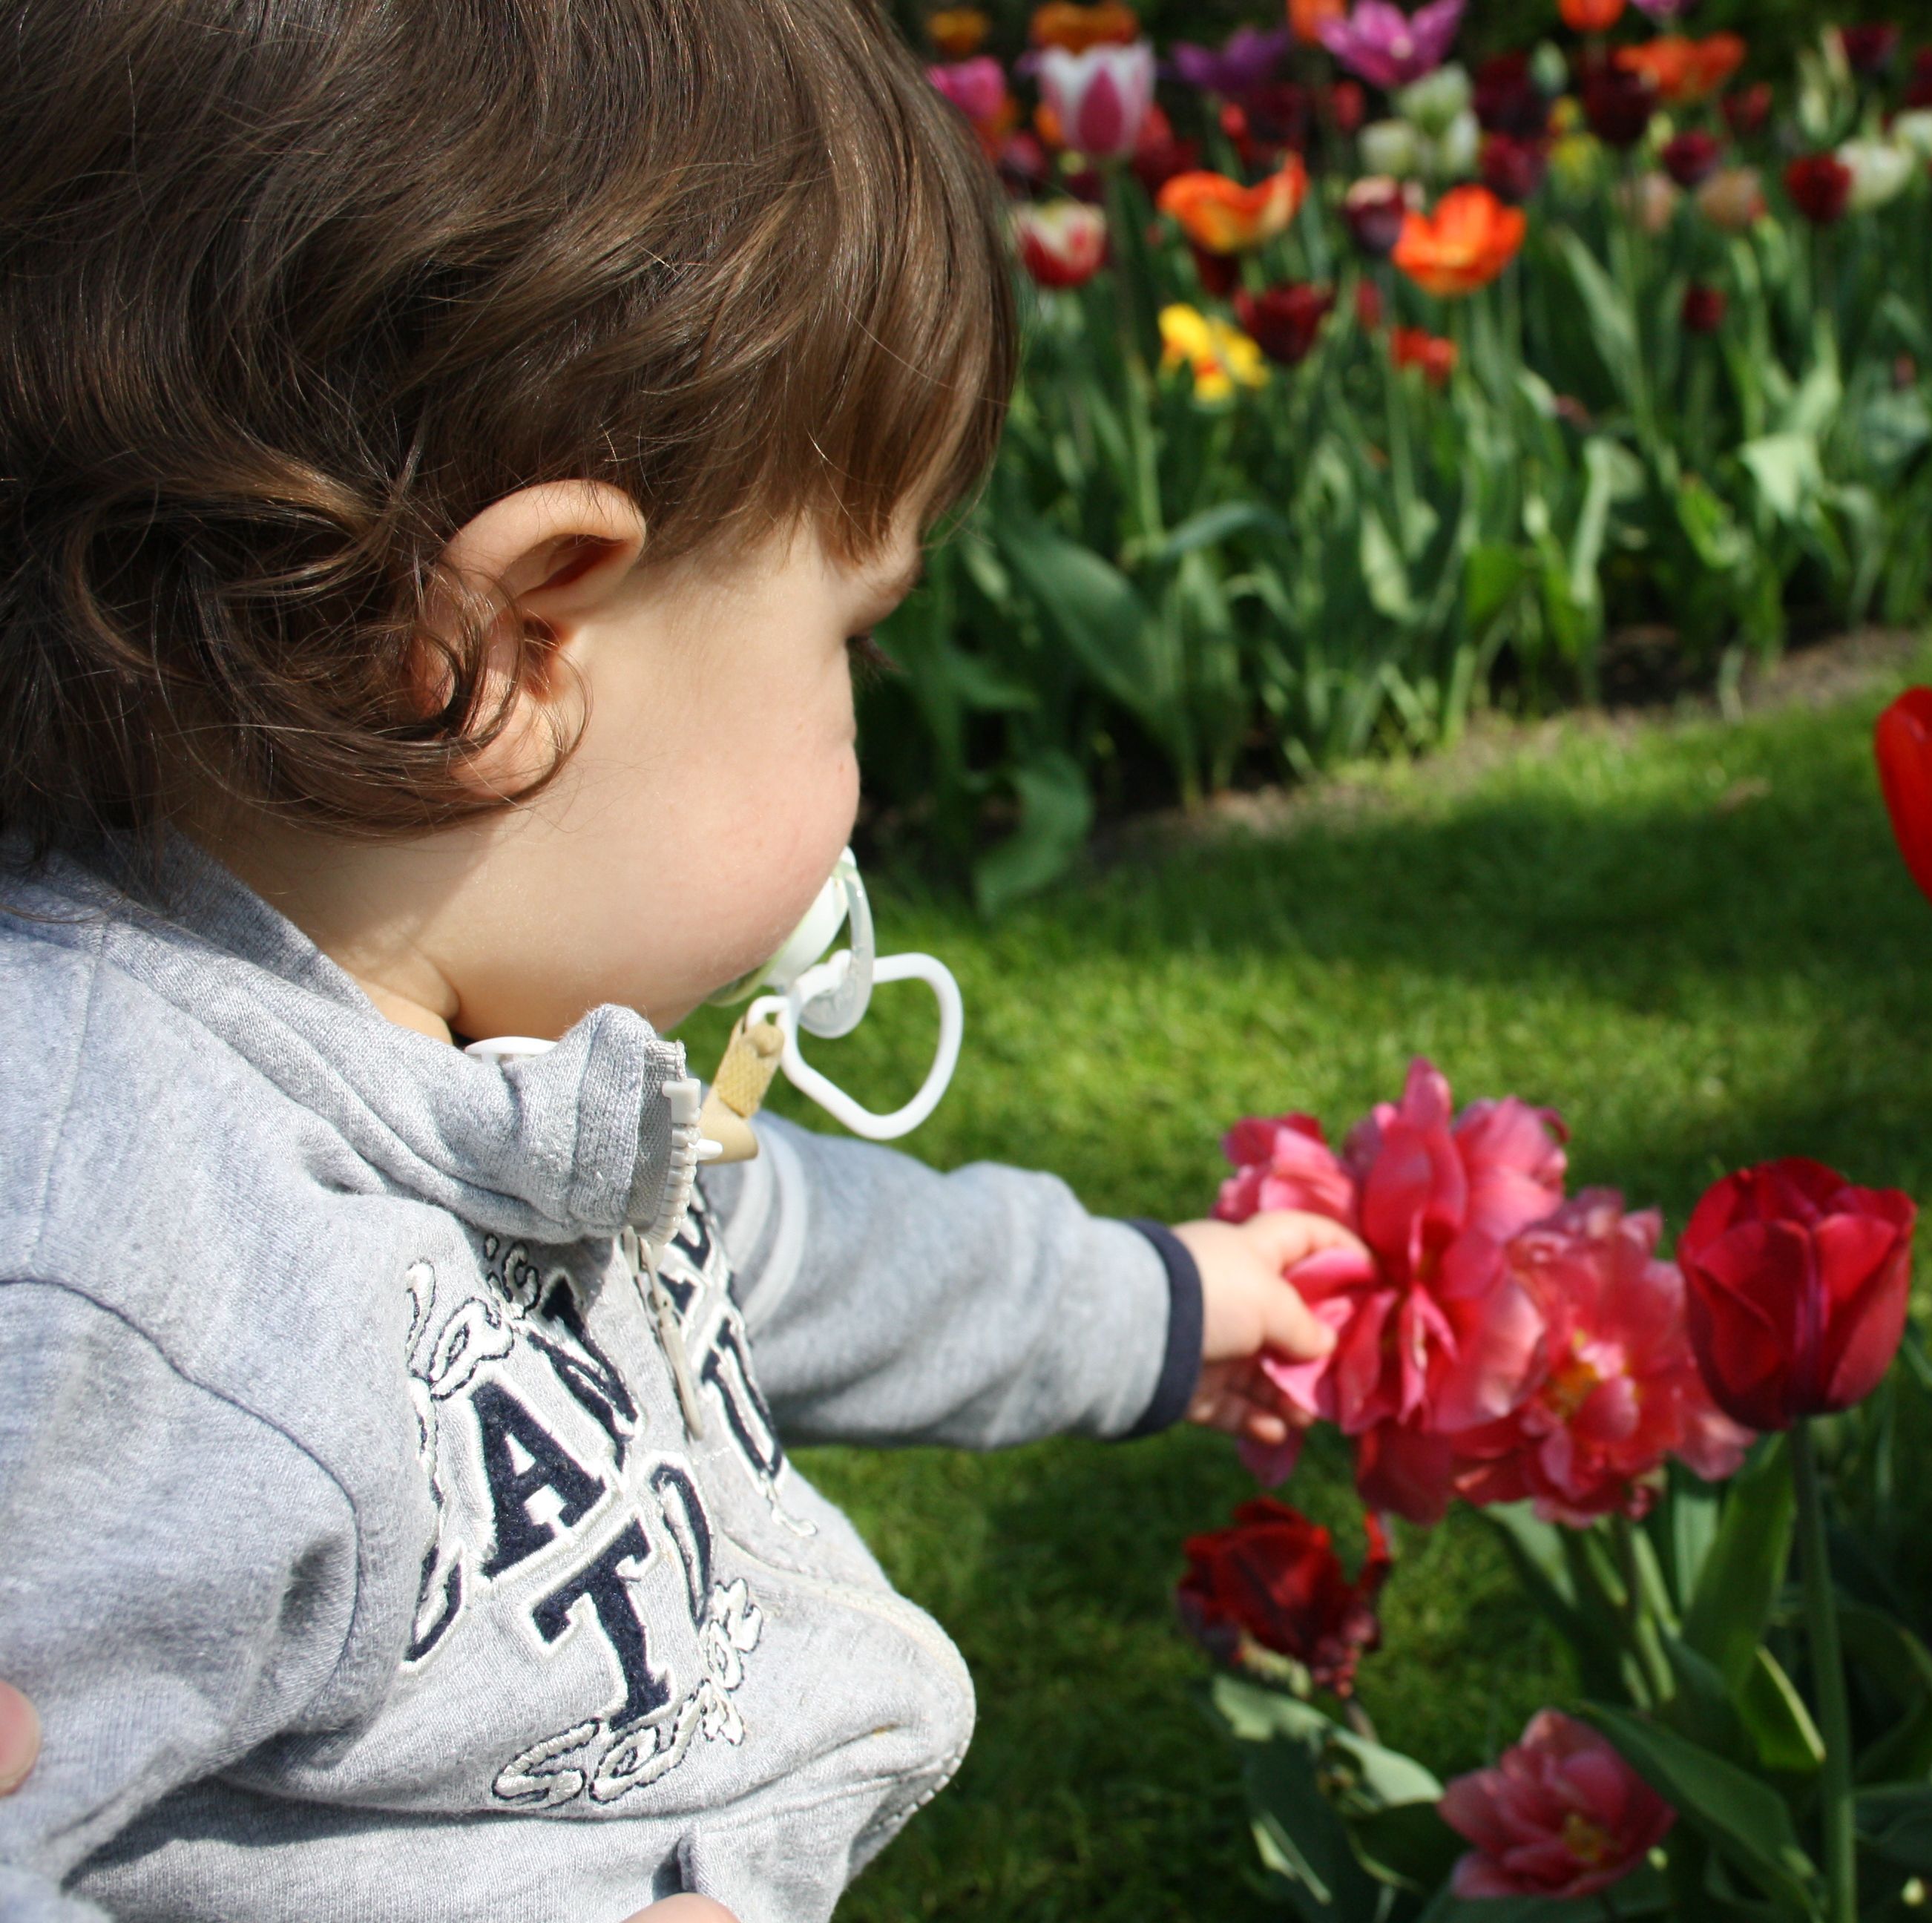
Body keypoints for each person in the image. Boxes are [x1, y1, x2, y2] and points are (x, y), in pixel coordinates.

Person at [0, 4, 1352, 1920]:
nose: (862, 724)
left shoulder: (476, 1063)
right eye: (848, 641)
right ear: (513, 647)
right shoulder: (124, 1279)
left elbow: (775, 1251)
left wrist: (1146, 1304)